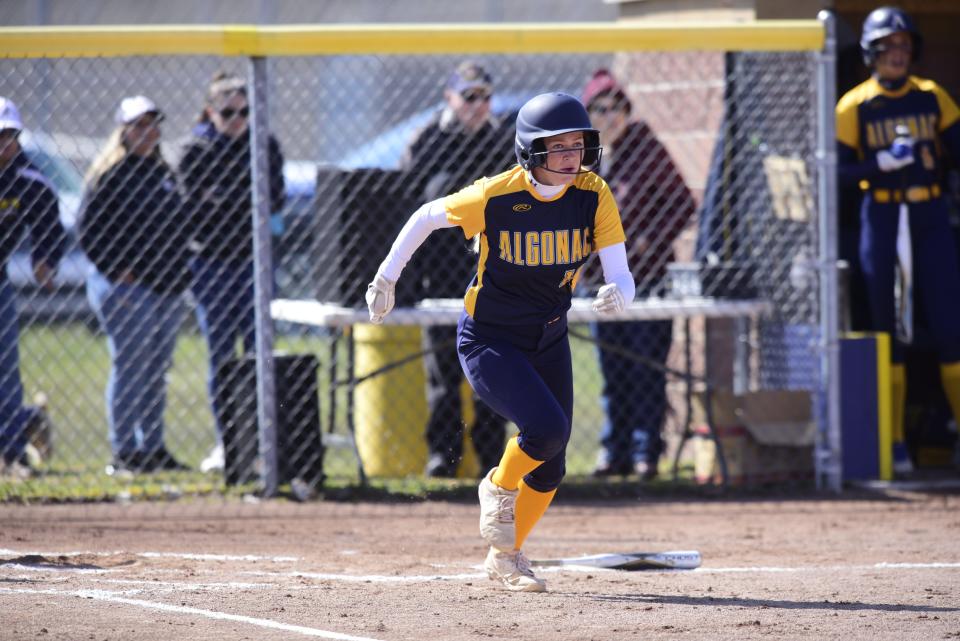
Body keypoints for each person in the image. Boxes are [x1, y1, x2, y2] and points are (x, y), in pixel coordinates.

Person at [365, 92, 634, 591]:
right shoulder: (497, 195)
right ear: (530, 151)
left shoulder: (594, 193)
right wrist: (387, 277)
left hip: (549, 335)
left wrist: (621, 292)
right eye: (558, 147)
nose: (572, 155)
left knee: (552, 463)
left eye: (578, 144)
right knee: (546, 427)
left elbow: (621, 270)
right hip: (489, 337)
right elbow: (426, 216)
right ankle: (497, 486)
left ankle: (505, 557)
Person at [836, 6, 960, 475]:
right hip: (882, 212)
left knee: (949, 323)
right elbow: (841, 175)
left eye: (905, 46)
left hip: (927, 211)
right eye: (888, 46)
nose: (897, 55)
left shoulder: (932, 97)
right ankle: (894, 444)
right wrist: (880, 164)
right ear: (871, 52)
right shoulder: (855, 105)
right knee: (887, 327)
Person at [580, 69, 696, 480]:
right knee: (613, 368)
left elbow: (683, 204)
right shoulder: (586, 156)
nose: (608, 117)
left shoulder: (646, 148)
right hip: (601, 283)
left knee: (645, 366)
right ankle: (616, 451)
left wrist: (647, 239)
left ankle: (648, 451)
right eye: (599, 109)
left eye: (616, 108)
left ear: (627, 112)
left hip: (645, 280)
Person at [403, 61, 513, 478]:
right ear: (450, 97)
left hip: (489, 271)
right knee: (445, 374)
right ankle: (444, 457)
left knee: (493, 371)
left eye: (485, 96)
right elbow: (405, 202)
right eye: (469, 96)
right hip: (439, 272)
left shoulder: (501, 140)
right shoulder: (427, 140)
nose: (479, 105)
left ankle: (490, 459)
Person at [80, 95, 193, 474]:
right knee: (132, 364)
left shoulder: (163, 170)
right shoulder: (110, 174)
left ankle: (153, 447)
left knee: (156, 368)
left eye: (153, 124)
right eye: (139, 125)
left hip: (165, 286)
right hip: (127, 288)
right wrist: (118, 270)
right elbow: (89, 233)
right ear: (123, 131)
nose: (148, 132)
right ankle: (124, 451)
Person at [179, 72, 286, 472]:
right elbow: (193, 207)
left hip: (254, 263)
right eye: (228, 112)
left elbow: (272, 199)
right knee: (222, 358)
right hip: (211, 264)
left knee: (261, 355)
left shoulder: (265, 144)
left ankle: (263, 446)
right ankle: (229, 445)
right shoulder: (195, 148)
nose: (238, 119)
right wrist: (240, 198)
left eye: (245, 111)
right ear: (211, 112)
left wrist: (223, 197)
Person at [0, 97, 66, 478]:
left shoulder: (25, 178)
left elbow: (48, 221)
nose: (5, 144)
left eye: (11, 136)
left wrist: (45, 260)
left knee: (7, 370)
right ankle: (30, 419)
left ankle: (10, 454)